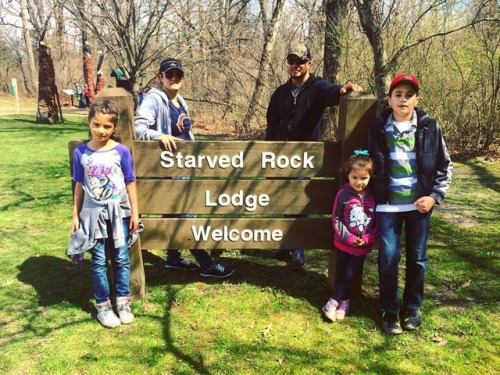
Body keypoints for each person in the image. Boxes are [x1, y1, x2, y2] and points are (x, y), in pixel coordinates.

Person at [368, 73, 452, 334]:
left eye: (408, 94)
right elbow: (366, 163)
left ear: (417, 99)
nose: (403, 99)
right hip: (388, 206)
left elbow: (444, 165)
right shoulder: (377, 127)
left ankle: (413, 308)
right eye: (398, 94)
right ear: (389, 99)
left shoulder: (430, 127)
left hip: (419, 206)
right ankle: (390, 310)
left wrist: (434, 196)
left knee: (417, 259)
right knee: (388, 259)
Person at [135, 57, 234, 278]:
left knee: (175, 214)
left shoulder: (180, 101)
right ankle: (207, 265)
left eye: (177, 75)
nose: (173, 78)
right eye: (169, 74)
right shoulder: (155, 98)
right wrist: (158, 135)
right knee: (186, 216)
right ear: (161, 77)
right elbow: (138, 127)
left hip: (185, 167)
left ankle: (173, 259)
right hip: (168, 172)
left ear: (183, 78)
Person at [266, 42, 362, 269]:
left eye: (300, 61)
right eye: (291, 61)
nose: (295, 65)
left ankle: (298, 249)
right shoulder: (279, 93)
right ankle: (285, 244)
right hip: (279, 155)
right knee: (282, 200)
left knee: (299, 202)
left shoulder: (317, 87)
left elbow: (332, 92)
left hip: (304, 157)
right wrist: (267, 152)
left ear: (309, 63)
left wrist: (343, 89)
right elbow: (271, 125)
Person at [67, 100, 140, 328]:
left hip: (119, 214)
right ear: (89, 122)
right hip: (93, 215)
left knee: (120, 258)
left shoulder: (121, 152)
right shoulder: (81, 153)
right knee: (98, 260)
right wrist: (75, 215)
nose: (101, 130)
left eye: (107, 126)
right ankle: (104, 306)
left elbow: (130, 182)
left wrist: (135, 214)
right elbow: (79, 185)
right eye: (96, 125)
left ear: (114, 127)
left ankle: (122, 302)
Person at [323, 152, 378, 322]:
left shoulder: (374, 196)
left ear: (370, 177)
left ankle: (333, 301)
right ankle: (344, 300)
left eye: (363, 178)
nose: (358, 182)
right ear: (348, 175)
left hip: (362, 245)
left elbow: (378, 222)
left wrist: (368, 238)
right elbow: (337, 218)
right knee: (342, 272)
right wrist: (348, 238)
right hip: (344, 242)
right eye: (354, 177)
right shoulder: (343, 194)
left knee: (351, 273)